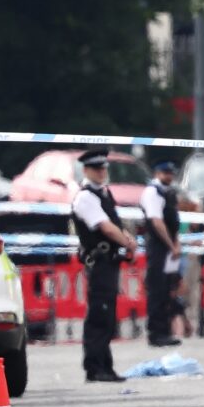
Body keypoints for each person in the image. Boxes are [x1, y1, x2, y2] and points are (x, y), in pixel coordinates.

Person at [71, 149, 137, 383]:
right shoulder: (86, 197)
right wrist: (127, 242)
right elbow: (105, 228)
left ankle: (105, 365)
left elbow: (114, 223)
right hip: (99, 262)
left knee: (107, 315)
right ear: (86, 170)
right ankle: (95, 367)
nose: (102, 172)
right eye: (97, 168)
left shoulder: (102, 193)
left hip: (109, 262)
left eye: (104, 168)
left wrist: (127, 239)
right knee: (99, 315)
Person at [139, 160, 182, 348]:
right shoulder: (152, 192)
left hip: (168, 246)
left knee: (166, 290)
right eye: (165, 173)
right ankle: (155, 333)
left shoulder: (168, 192)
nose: (169, 176)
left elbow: (173, 224)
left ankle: (164, 331)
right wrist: (171, 245)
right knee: (157, 290)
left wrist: (176, 244)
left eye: (171, 173)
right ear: (157, 173)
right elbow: (156, 222)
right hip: (158, 247)